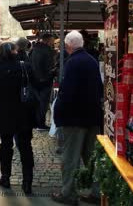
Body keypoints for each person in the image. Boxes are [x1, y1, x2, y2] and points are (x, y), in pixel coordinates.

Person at [51, 31, 103, 205]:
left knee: (70, 158)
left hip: (74, 118)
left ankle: (68, 193)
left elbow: (67, 93)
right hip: (92, 116)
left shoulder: (73, 63)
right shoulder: (92, 61)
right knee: (91, 157)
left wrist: (58, 114)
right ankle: (96, 192)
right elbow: (99, 88)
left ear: (68, 45)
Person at [0, 42, 35, 194]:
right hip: (24, 113)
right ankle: (27, 182)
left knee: (5, 146)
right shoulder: (25, 67)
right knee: (25, 147)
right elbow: (35, 86)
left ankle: (5, 178)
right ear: (15, 52)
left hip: (5, 114)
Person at [30, 33, 56, 130]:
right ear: (48, 40)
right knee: (43, 103)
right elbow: (49, 67)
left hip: (35, 80)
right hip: (45, 81)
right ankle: (40, 123)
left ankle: (36, 122)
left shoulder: (34, 49)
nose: (53, 42)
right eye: (52, 40)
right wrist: (53, 73)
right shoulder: (47, 51)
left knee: (37, 103)